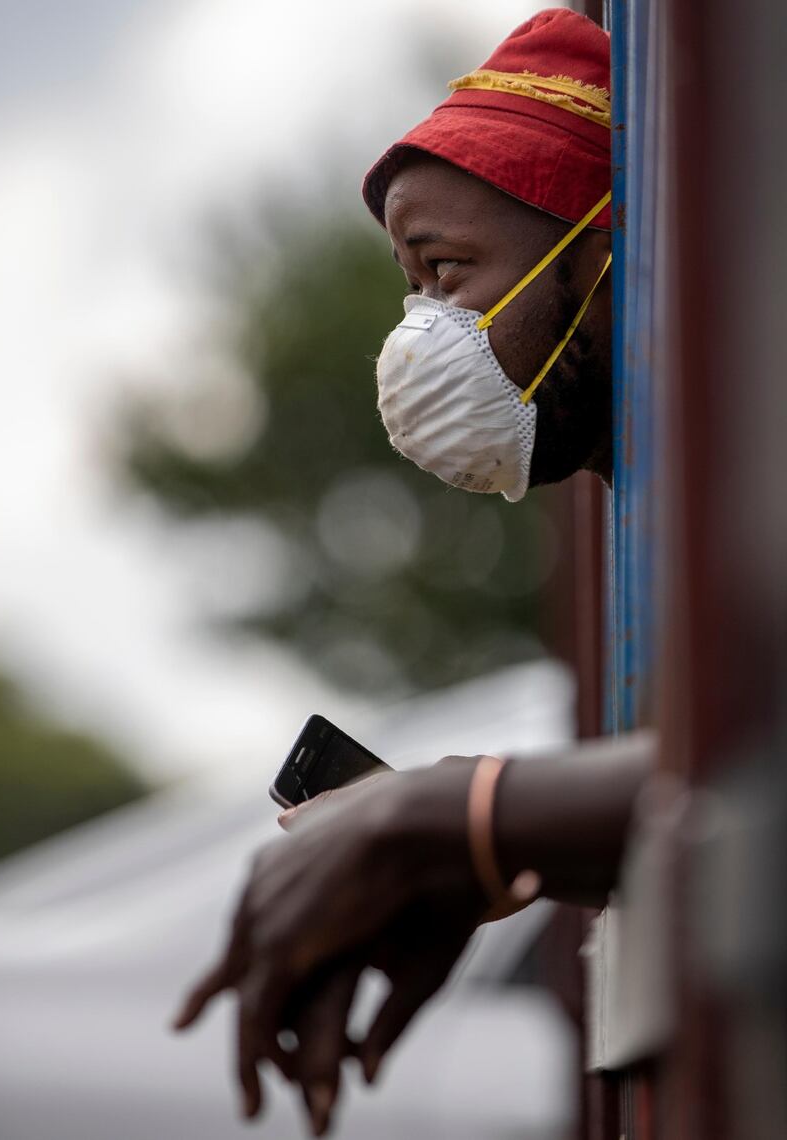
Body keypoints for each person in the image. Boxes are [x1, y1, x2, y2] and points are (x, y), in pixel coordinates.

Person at [172, 9, 654, 1136]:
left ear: (609, 242)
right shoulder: (650, 521)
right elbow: (716, 817)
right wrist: (492, 857)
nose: (422, 332)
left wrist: (456, 819)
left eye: (447, 271)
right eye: (411, 288)